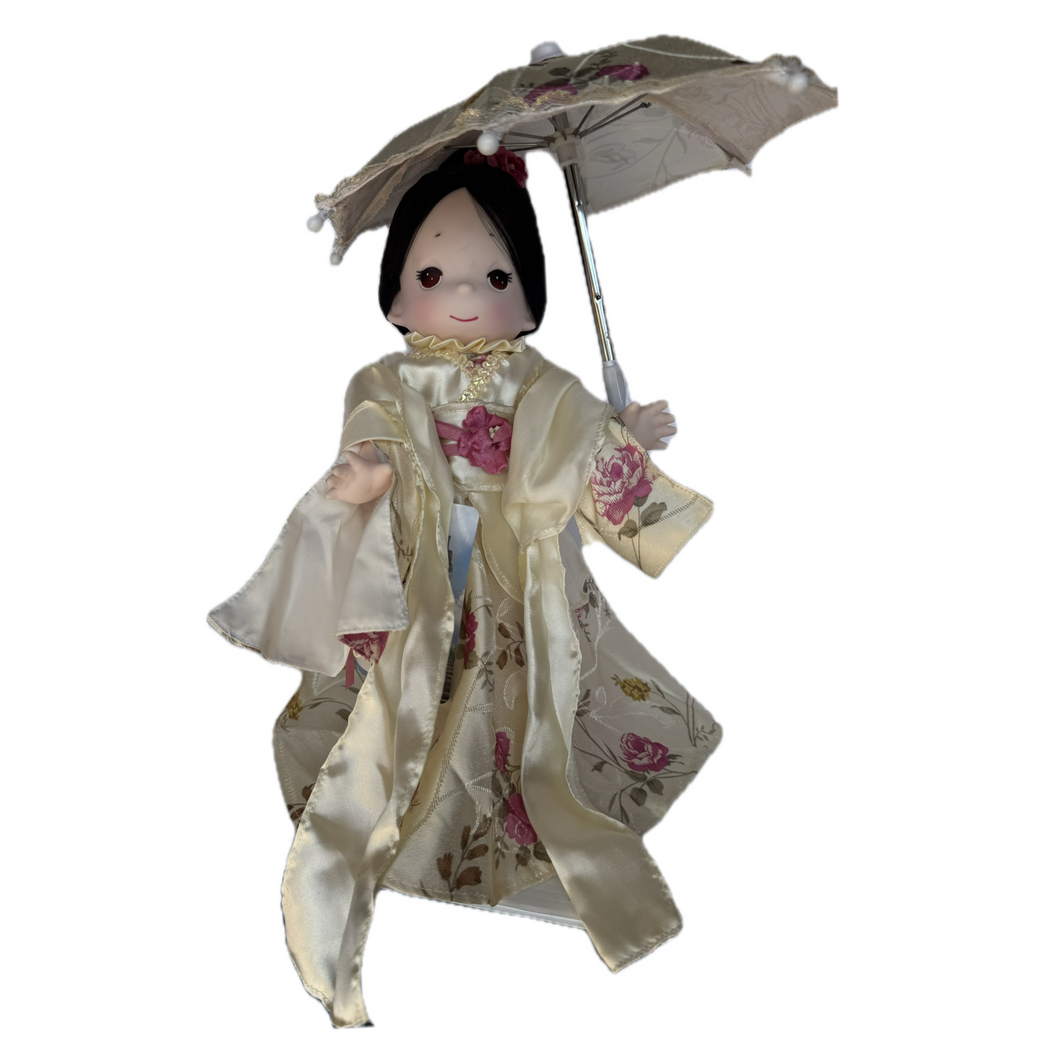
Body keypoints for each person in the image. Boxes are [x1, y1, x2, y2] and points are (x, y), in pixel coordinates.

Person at [208, 149, 722, 1029]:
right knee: (418, 707)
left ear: (529, 293)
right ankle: (423, 840)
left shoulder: (540, 381)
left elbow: (576, 443)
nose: (462, 294)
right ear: (395, 290)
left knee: (526, 697)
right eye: (432, 275)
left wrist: (621, 432)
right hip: (422, 568)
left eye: (495, 276)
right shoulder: (385, 380)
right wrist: (369, 476)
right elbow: (376, 438)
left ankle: (520, 850)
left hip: (521, 569)